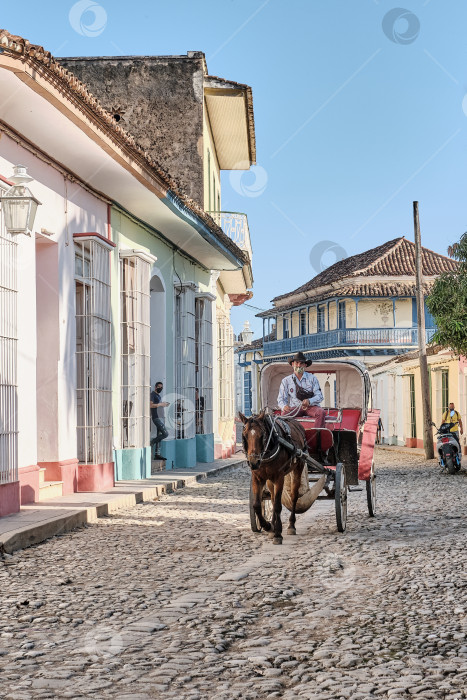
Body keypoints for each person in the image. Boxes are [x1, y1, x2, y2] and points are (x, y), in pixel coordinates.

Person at [277, 352, 325, 429]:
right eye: (297, 363)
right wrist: (284, 406)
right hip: (295, 408)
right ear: (292, 364)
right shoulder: (286, 381)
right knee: (284, 414)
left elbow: (319, 396)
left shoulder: (312, 378)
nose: (299, 365)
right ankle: (288, 436)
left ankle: (316, 434)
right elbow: (281, 399)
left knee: (321, 412)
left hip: (311, 407)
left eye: (301, 363)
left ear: (305, 365)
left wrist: (309, 401)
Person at [150, 382, 169, 460]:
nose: (160, 388)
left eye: (161, 387)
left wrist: (164, 404)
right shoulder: (153, 394)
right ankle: (152, 442)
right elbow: (151, 405)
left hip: (161, 417)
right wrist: (160, 404)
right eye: (159, 387)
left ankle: (157, 454)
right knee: (165, 434)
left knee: (160, 436)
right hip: (156, 417)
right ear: (155, 387)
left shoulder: (158, 395)